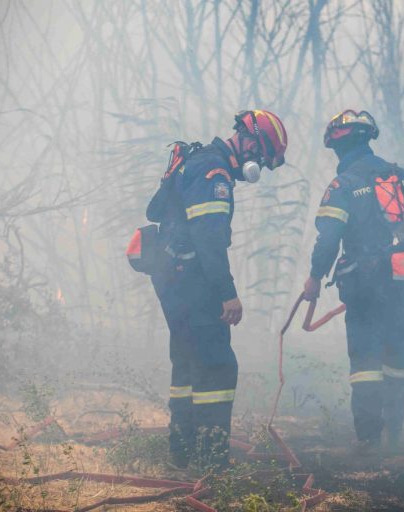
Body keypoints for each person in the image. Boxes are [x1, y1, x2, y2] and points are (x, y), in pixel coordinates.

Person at [146, 110, 288, 469]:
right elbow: (208, 240)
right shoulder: (215, 174)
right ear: (249, 142)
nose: (256, 167)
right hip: (195, 282)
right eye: (261, 157)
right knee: (216, 367)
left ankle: (182, 453)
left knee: (187, 363)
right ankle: (211, 461)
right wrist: (227, 293)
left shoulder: (198, 161)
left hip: (173, 278)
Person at [303, 110, 404, 450]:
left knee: (365, 362)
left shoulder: (343, 184)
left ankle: (368, 442)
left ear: (336, 146)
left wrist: (315, 278)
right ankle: (394, 437)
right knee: (400, 359)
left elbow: (329, 239)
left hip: (364, 288)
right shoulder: (402, 177)